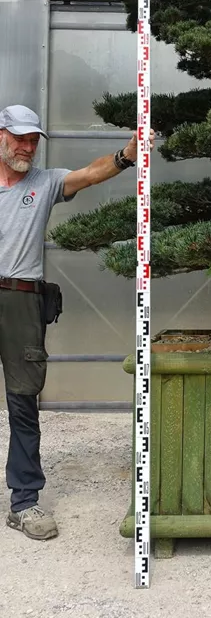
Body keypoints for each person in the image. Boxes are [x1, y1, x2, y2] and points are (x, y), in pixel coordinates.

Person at [0, 104, 155, 541]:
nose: (27, 147)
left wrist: (127, 155)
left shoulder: (44, 183)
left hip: (21, 299)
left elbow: (88, 173)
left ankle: (25, 501)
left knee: (23, 401)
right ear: (1, 135)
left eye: (33, 140)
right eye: (20, 138)